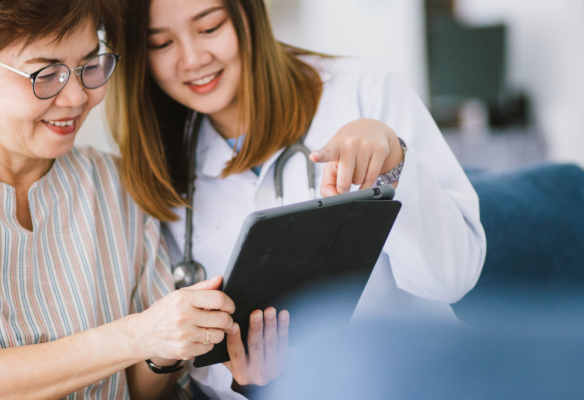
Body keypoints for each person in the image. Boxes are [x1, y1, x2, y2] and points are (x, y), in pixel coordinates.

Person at [108, 0, 487, 398]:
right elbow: (192, 364)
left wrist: (393, 162)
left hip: (425, 380)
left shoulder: (363, 90)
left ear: (249, 15)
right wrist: (251, 383)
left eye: (210, 27)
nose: (192, 58)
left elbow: (453, 278)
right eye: (161, 44)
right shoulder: (158, 169)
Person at [0, 1, 281, 398]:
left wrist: (170, 346)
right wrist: (138, 334)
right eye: (45, 74)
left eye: (89, 65)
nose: (76, 97)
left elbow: (139, 389)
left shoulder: (116, 184)